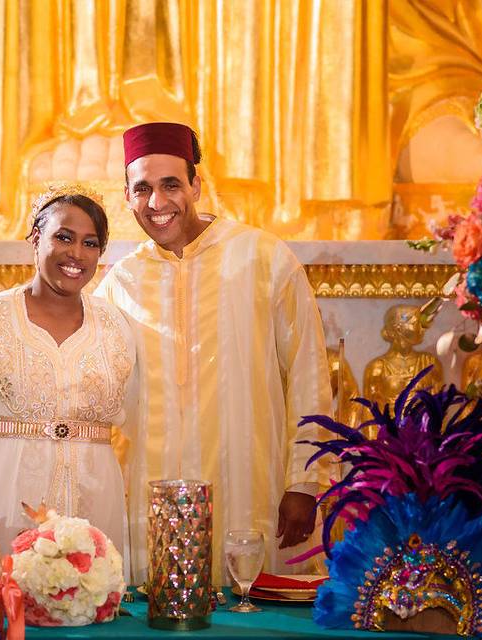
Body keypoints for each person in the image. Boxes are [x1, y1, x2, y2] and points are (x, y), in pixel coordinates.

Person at [96, 122, 332, 583]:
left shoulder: (262, 258)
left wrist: (306, 481)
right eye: (142, 188)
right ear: (126, 197)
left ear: (197, 185)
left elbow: (309, 374)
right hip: (151, 494)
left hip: (250, 483)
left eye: (171, 185)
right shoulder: (118, 284)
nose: (157, 203)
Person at [0, 185, 136, 567]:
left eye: (91, 243)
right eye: (63, 237)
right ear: (36, 239)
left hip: (95, 514)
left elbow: (145, 425)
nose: (76, 254)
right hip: (4, 512)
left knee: (91, 618)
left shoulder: (116, 328)